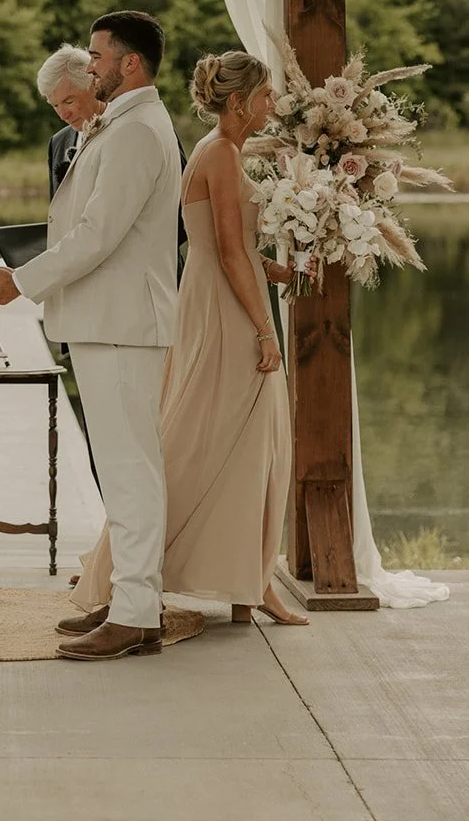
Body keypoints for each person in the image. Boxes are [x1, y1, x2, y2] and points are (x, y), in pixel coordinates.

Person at [61, 50, 308, 639]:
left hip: (220, 293)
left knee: (235, 441)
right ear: (243, 101)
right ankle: (149, 577)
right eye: (268, 95)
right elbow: (225, 251)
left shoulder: (222, 152)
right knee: (205, 440)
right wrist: (266, 329)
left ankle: (249, 579)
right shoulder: (219, 154)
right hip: (223, 308)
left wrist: (282, 270)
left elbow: (230, 247)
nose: (274, 105)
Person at [0, 11, 181, 662]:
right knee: (122, 471)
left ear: (131, 63)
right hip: (105, 321)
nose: (89, 66)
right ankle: (130, 603)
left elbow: (97, 235)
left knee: (131, 469)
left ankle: (137, 611)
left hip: (121, 324)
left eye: (97, 56)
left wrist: (20, 281)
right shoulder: (121, 124)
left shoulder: (136, 132)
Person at [36, 43, 101, 197]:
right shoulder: (58, 142)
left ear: (94, 85)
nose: (62, 115)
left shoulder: (123, 130)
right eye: (55, 105)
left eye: (68, 102)